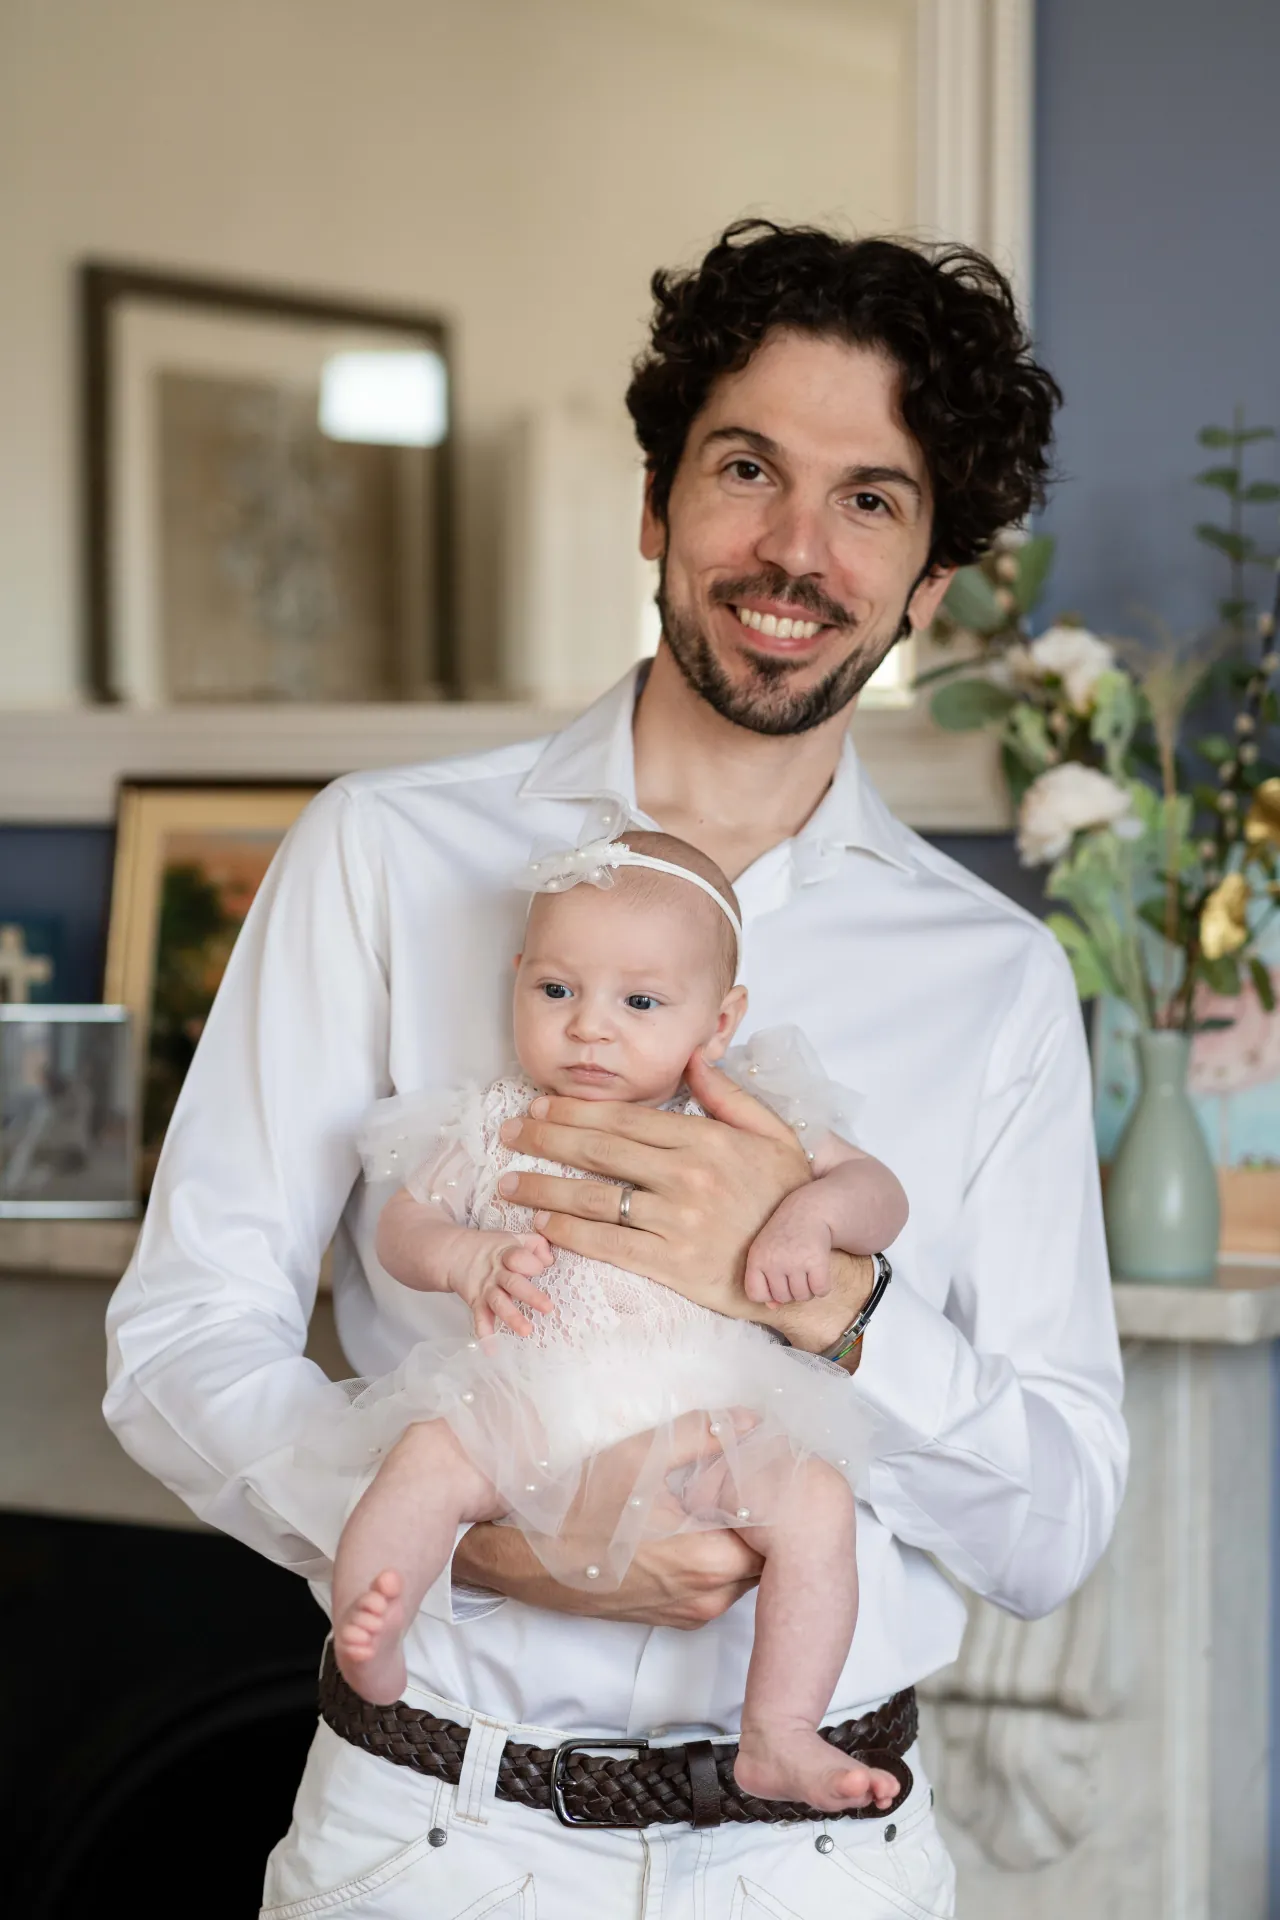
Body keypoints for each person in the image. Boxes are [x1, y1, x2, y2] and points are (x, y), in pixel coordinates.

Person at [105, 220, 1126, 1918]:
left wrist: (837, 1307)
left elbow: (1056, 1525)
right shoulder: (383, 854)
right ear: (654, 506)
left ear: (930, 582)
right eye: (748, 470)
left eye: (871, 499)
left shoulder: (997, 979)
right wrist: (479, 1532)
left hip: (826, 1866)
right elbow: (178, 1337)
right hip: (429, 1843)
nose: (795, 549)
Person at [327, 825, 908, 1819]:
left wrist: (811, 1216)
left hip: (705, 1419)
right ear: (517, 980)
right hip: (529, 1405)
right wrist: (462, 1256)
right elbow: (405, 1225)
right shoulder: (499, 1118)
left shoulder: (740, 1116)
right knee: (426, 1458)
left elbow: (876, 1192)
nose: (589, 1027)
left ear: (717, 1021)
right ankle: (370, 1639)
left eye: (638, 1003)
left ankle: (776, 1733)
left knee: (813, 1506)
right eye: (557, 992)